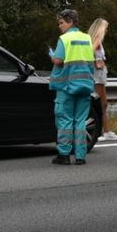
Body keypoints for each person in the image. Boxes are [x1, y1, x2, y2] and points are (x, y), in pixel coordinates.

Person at [49, 9, 95, 165]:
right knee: (80, 121)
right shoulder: (87, 38)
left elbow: (58, 61)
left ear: (70, 22)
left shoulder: (65, 39)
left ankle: (64, 154)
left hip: (67, 86)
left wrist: (52, 55)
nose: (60, 26)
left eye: (61, 23)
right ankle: (80, 156)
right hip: (85, 85)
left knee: (65, 120)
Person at [88, 18, 117, 140]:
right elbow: (89, 52)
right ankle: (101, 131)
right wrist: (97, 62)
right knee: (101, 103)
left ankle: (106, 131)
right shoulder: (97, 39)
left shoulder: (93, 39)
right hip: (98, 75)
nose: (106, 30)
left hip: (99, 74)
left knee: (103, 104)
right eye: (105, 28)